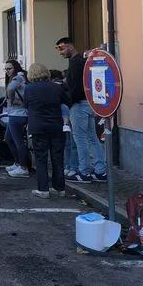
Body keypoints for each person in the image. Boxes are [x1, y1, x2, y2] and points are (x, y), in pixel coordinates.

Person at [56, 37, 106, 183]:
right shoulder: (83, 62)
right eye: (58, 49)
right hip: (89, 103)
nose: (60, 52)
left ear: (70, 46)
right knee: (92, 138)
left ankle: (84, 172)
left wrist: (67, 99)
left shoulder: (75, 63)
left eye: (61, 48)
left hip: (78, 105)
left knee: (81, 140)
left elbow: (75, 88)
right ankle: (100, 171)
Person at [24, 63, 70, 199]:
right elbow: (67, 101)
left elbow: (26, 104)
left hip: (38, 126)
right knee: (58, 158)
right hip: (56, 125)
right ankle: (59, 188)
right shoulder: (56, 87)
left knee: (41, 158)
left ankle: (43, 189)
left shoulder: (29, 88)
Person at [3, 60, 30, 178]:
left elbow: (10, 89)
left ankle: (23, 167)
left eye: (9, 68)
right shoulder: (21, 77)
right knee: (8, 139)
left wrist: (10, 100)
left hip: (18, 114)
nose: (7, 71)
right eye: (6, 69)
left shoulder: (18, 77)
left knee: (18, 141)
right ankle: (18, 163)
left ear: (16, 68)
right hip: (16, 113)